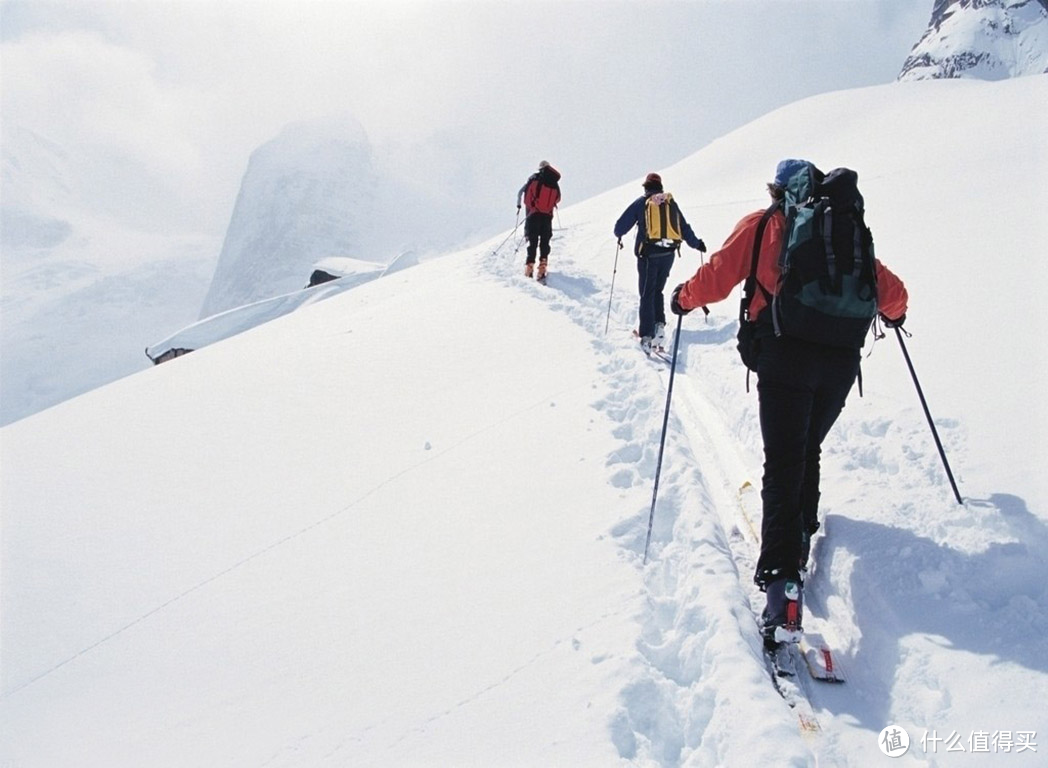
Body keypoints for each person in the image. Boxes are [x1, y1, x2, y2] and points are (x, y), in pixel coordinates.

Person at [669, 159, 908, 649]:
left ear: (777, 189)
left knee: (783, 462)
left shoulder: (762, 225)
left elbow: (717, 276)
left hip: (782, 355)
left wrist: (681, 299)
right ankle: (799, 537)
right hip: (840, 361)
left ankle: (782, 589)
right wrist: (897, 315)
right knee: (807, 448)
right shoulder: (843, 233)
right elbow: (893, 294)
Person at [614, 173, 705, 352]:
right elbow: (684, 228)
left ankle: (646, 336)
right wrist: (697, 244)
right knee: (658, 290)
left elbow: (620, 227)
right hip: (668, 254)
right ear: (660, 187)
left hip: (648, 255)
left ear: (646, 187)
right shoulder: (670, 204)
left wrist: (619, 235)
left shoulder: (642, 203)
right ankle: (659, 329)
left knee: (647, 293)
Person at [516, 161, 561, 281]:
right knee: (545, 241)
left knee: (533, 240)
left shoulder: (535, 178)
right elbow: (558, 198)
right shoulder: (553, 182)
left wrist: (532, 206)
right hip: (547, 216)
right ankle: (543, 266)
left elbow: (526, 198)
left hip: (534, 214)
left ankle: (529, 267)